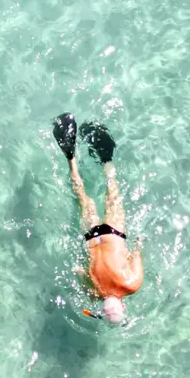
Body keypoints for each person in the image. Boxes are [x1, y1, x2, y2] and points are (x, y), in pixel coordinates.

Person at [53, 113, 143, 325]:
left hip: (114, 233)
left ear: (123, 306)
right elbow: (79, 270)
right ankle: (71, 158)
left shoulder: (132, 283)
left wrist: (138, 244)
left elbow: (137, 253)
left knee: (113, 191)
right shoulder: (91, 292)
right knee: (83, 197)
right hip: (91, 237)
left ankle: (106, 162)